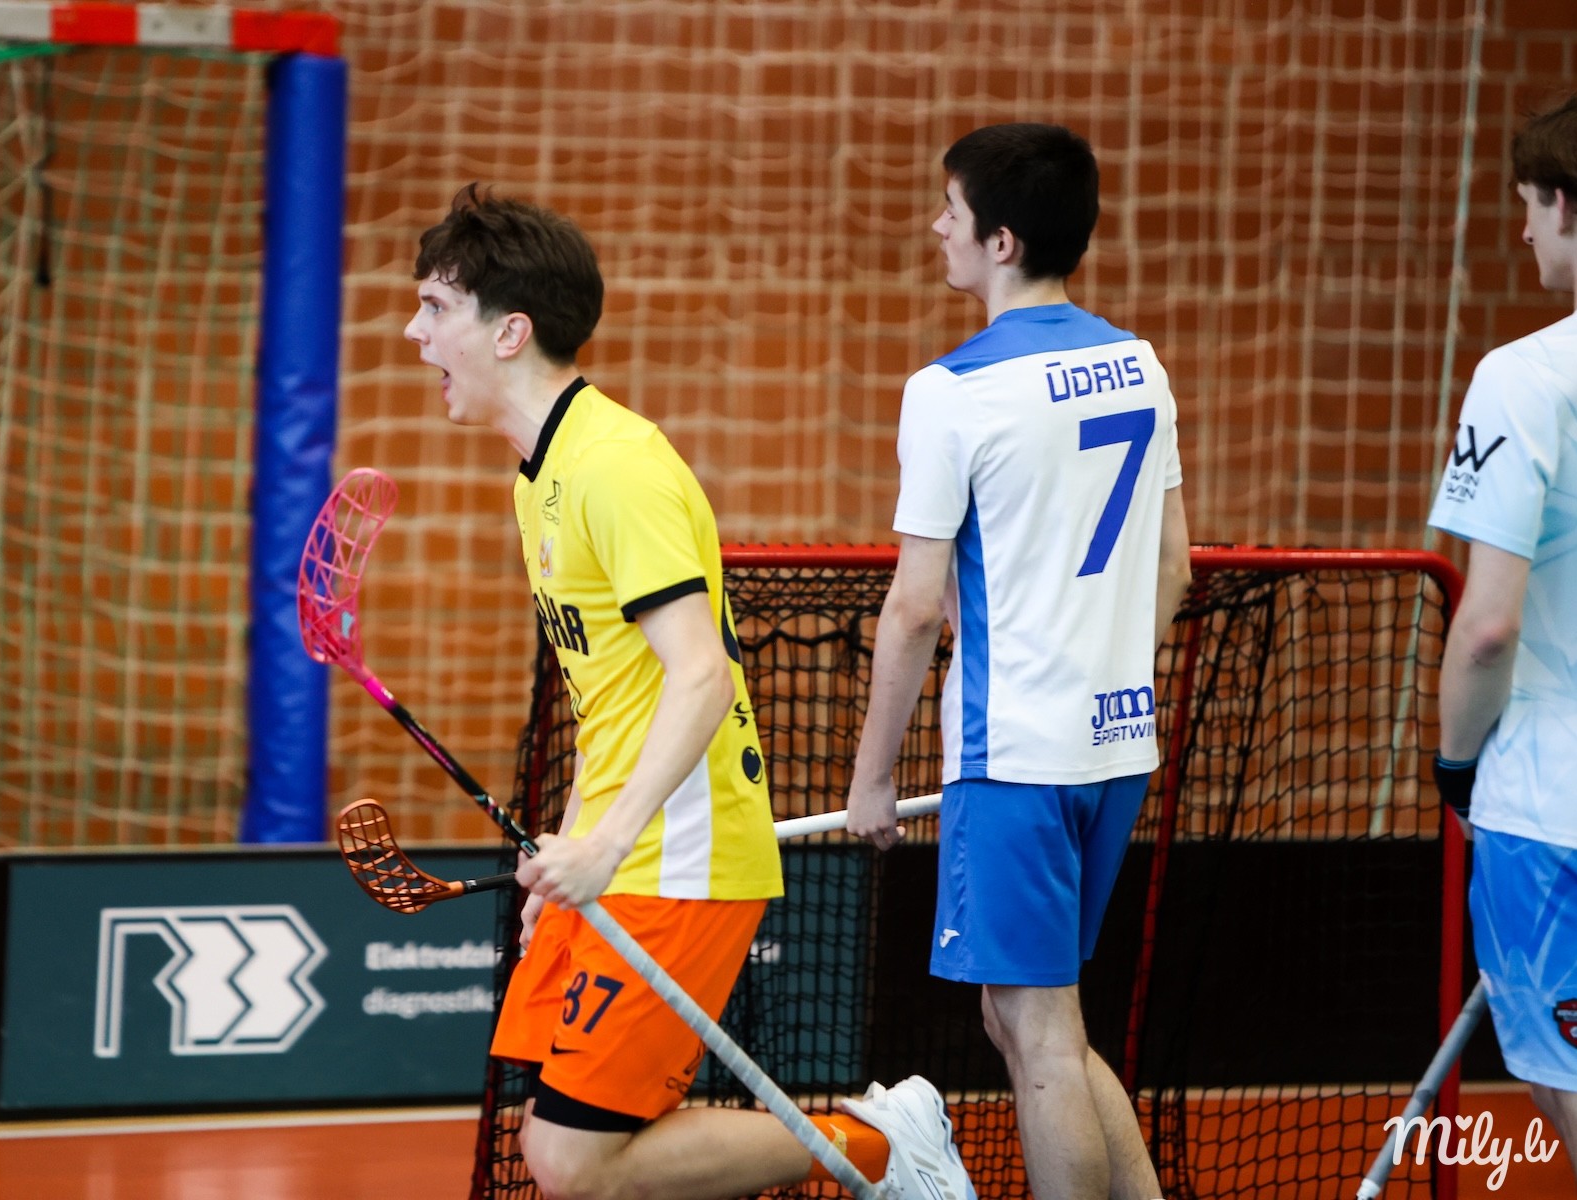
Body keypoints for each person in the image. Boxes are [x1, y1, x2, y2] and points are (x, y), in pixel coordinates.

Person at [404, 183, 975, 1200]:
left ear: (510, 332)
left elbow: (702, 676)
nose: (415, 333)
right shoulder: (539, 475)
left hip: (680, 858)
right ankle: (874, 1143)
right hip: (621, 848)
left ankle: (882, 1147)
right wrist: (572, 845)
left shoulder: (616, 466)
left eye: (436, 307)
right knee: (555, 1144)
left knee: (573, 1161)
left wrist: (606, 845)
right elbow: (611, 697)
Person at [845, 124, 1191, 1200]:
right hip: (1116, 745)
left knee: (1037, 1032)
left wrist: (872, 778)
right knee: (1033, 1017)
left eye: (950, 212)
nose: (935, 227)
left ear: (1000, 241)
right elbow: (1174, 568)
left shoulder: (951, 390)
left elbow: (914, 609)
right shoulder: (1139, 366)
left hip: (1017, 760)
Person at [1429, 92, 1577, 1188]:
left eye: (1529, 205)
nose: (1522, 232)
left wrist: (1453, 763)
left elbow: (1486, 626)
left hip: (1553, 811)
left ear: (1566, 205)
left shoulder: (1525, 378)